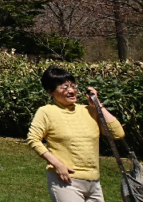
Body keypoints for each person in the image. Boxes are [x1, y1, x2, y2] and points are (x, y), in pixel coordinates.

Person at [27, 65, 125, 202]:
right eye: (64, 87)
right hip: (65, 180)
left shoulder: (89, 111)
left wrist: (98, 105)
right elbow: (33, 140)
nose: (71, 91)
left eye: (73, 86)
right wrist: (57, 164)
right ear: (51, 92)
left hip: (94, 181)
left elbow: (117, 133)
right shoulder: (46, 112)